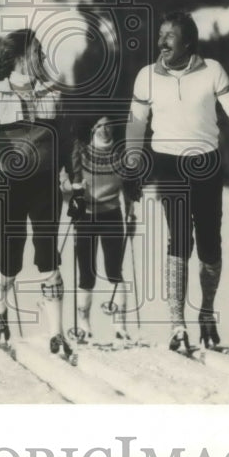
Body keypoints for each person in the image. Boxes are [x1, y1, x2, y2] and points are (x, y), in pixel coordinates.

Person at [125, 10, 229, 351]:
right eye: (160, 34)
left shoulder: (211, 70)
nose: (161, 41)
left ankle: (207, 312)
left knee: (210, 243)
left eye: (169, 35)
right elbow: (137, 123)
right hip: (168, 163)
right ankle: (176, 324)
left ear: (187, 41)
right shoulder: (146, 76)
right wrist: (132, 163)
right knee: (179, 238)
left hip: (206, 163)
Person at [0, 29, 76, 360]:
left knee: (47, 255)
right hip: (9, 185)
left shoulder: (53, 93)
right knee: (11, 257)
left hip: (44, 184)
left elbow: (66, 141)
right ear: (20, 57)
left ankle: (56, 334)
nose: (41, 58)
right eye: (37, 52)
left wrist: (76, 182)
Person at [67, 115, 140, 345]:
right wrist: (74, 189)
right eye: (100, 126)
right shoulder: (82, 154)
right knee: (86, 273)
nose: (104, 130)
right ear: (93, 130)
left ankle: (119, 326)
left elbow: (128, 188)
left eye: (108, 126)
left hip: (111, 215)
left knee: (114, 271)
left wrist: (130, 212)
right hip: (86, 216)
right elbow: (66, 181)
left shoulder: (120, 157)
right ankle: (84, 326)